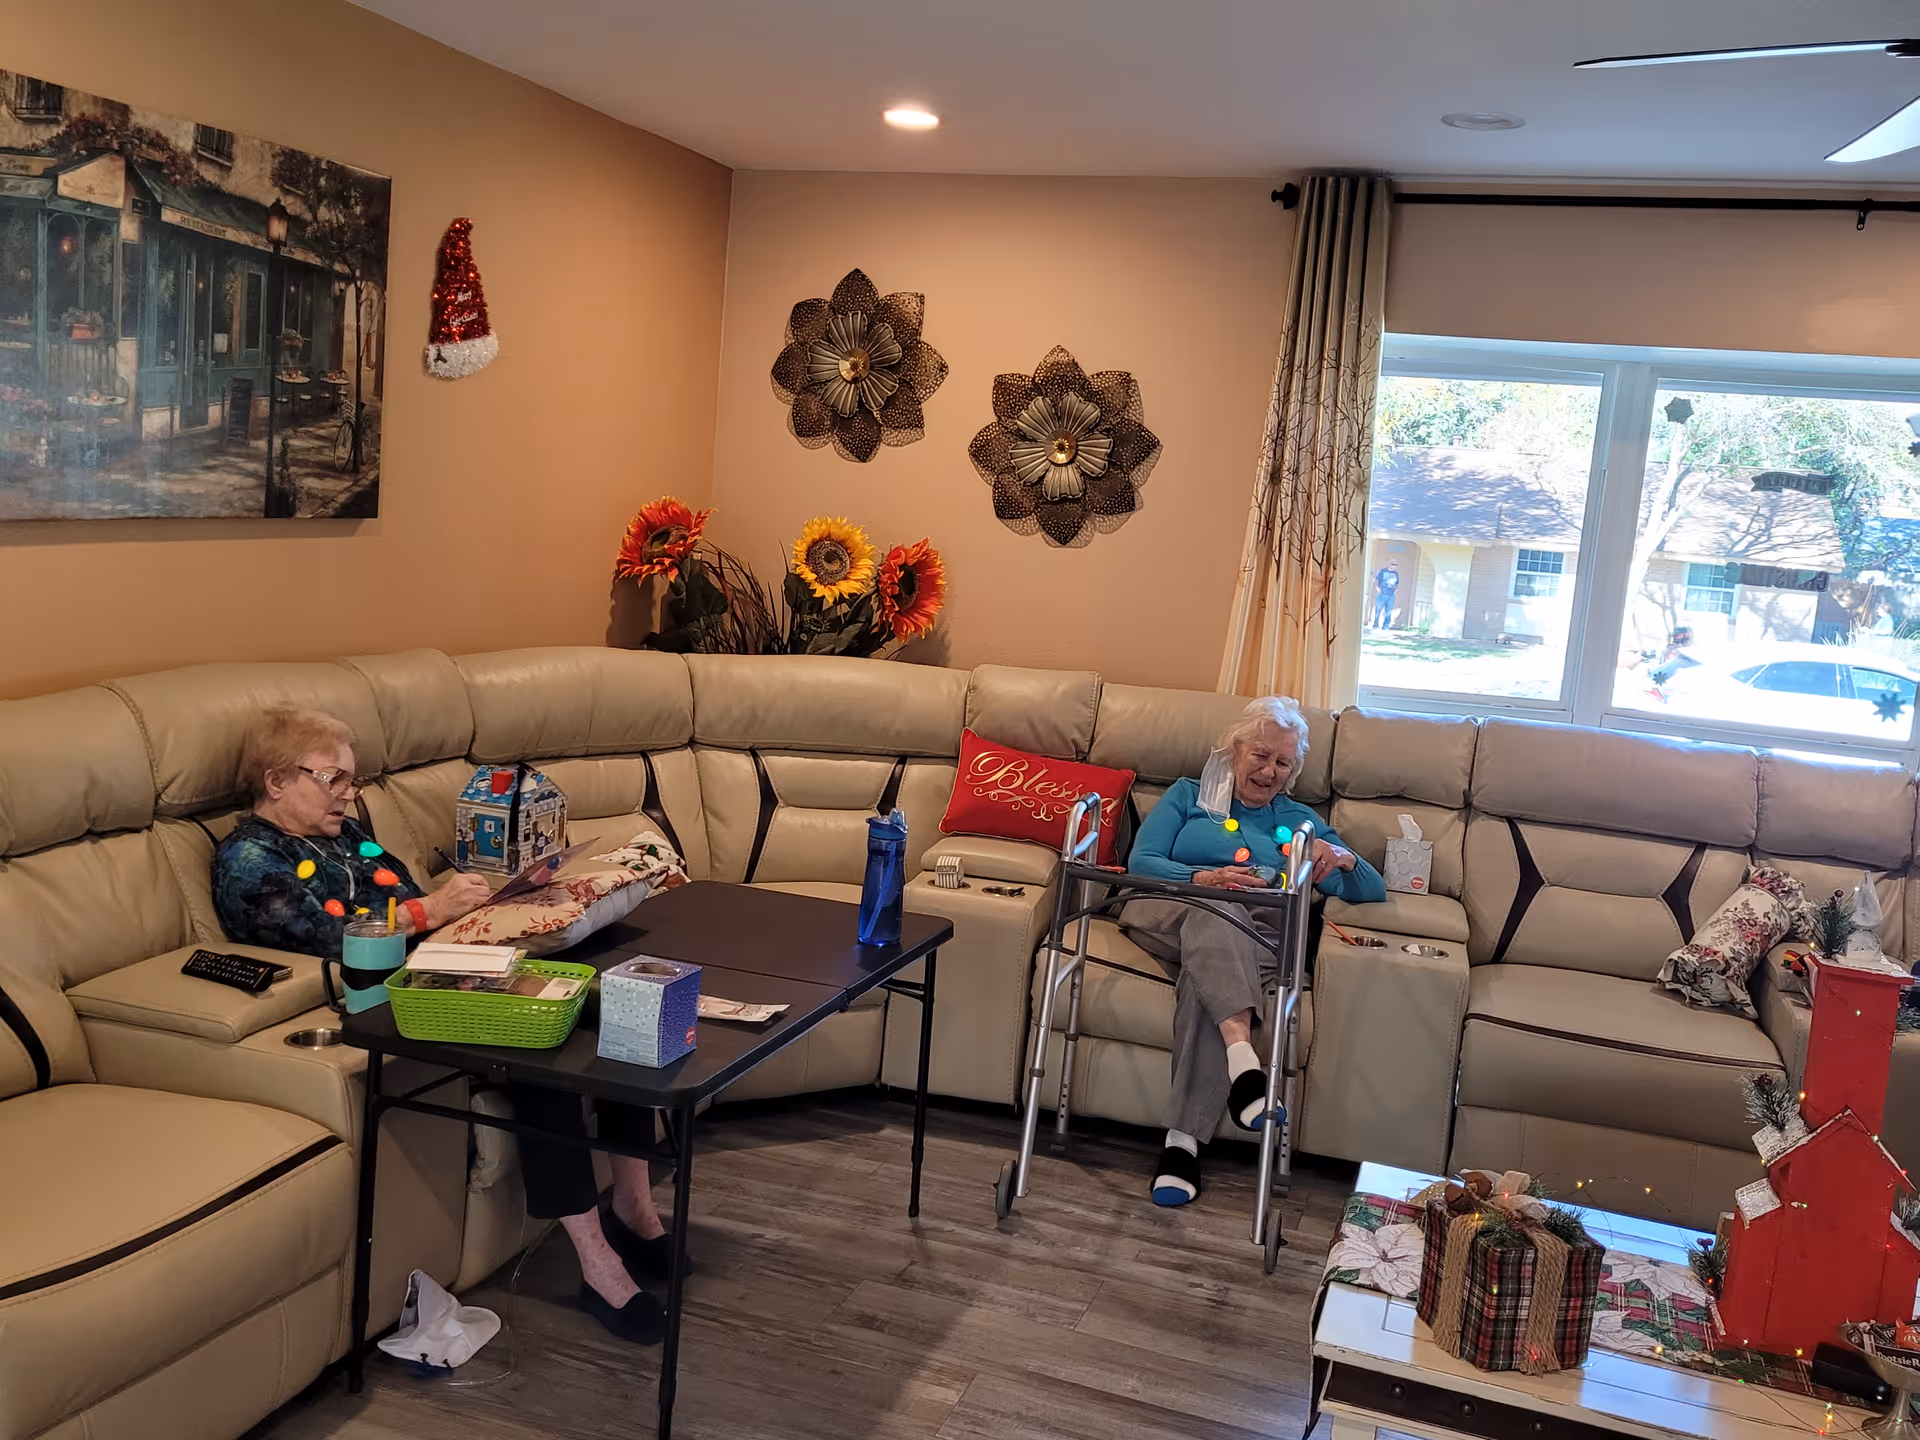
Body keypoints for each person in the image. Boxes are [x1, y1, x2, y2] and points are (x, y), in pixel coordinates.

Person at [211, 705, 674, 1345]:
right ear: (278, 781)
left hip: (443, 968)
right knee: (541, 1053)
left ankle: (635, 1207)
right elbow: (319, 933)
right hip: (379, 1002)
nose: (351, 794)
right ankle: (598, 1265)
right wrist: (431, 909)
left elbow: (398, 890)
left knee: (606, 1008)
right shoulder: (249, 861)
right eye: (334, 779)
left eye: (353, 780)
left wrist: (482, 904)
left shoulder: (346, 838)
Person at [1120, 696, 1384, 1207]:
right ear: (1234, 750)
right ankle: (1243, 1069)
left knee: (1211, 963)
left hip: (1251, 936)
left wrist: (1344, 858)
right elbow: (1142, 860)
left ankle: (1183, 1144)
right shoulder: (1187, 794)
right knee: (1216, 911)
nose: (1269, 771)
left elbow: (1372, 889)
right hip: (1170, 909)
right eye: (1260, 755)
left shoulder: (1301, 820)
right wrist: (1203, 878)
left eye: (1282, 762)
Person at [1371, 564, 1400, 629]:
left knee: (1389, 611)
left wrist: (1395, 591)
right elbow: (1376, 580)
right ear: (1389, 565)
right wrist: (1377, 589)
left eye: (1396, 565)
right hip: (1382, 594)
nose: (1394, 566)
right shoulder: (1383, 571)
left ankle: (1385, 626)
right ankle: (1375, 625)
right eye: (1393, 564)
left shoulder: (1396, 574)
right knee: (1378, 610)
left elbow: (1397, 584)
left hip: (1391, 595)